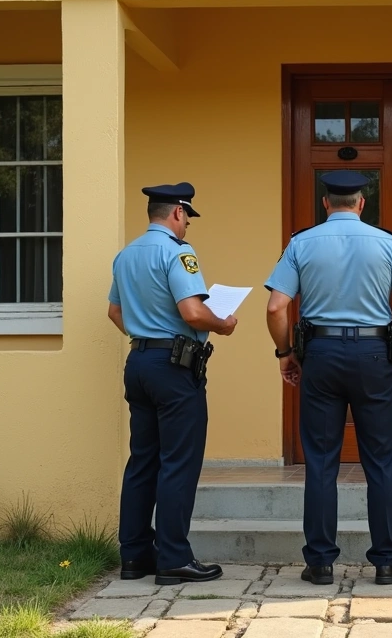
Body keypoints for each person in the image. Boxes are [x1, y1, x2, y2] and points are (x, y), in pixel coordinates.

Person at [263, 170, 392, 586]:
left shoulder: (301, 242)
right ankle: (388, 561)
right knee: (382, 461)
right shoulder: (387, 243)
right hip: (374, 355)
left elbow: (276, 307)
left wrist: (286, 353)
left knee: (320, 462)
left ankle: (319, 563)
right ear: (361, 202)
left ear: (325, 203)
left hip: (320, 354)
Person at [107, 182, 238, 585]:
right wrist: (225, 323)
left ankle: (134, 557)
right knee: (178, 462)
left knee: (142, 460)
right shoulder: (178, 253)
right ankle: (173, 559)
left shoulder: (126, 254)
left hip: (140, 361)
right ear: (178, 213)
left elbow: (114, 313)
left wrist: (148, 332)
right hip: (174, 367)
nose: (187, 229)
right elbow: (194, 313)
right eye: (187, 219)